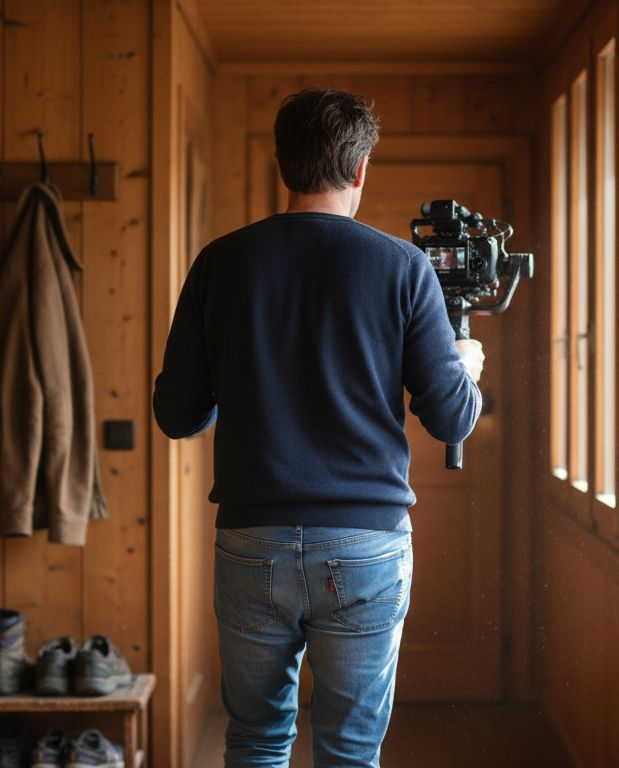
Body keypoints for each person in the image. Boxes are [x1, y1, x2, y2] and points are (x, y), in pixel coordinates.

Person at [153, 87, 484, 768]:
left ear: (283, 165)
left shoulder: (220, 263)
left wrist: (241, 372)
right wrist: (465, 366)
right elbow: (451, 416)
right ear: (360, 169)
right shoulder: (403, 268)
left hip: (251, 543)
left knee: (253, 741)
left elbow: (176, 415)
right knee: (350, 752)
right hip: (366, 548)